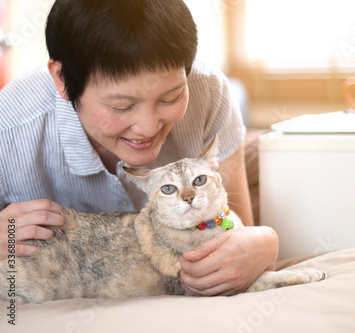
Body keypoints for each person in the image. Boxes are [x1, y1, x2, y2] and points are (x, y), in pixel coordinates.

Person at [0, 0, 278, 296]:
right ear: (61, 79)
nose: (147, 128)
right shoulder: (10, 127)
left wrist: (265, 242)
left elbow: (234, 230)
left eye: (169, 98)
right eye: (122, 105)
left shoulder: (209, 93)